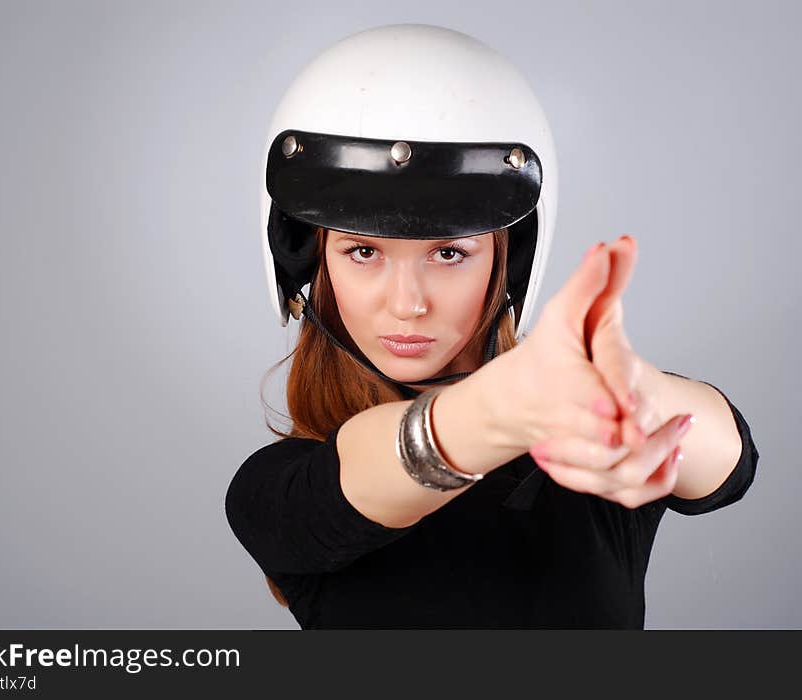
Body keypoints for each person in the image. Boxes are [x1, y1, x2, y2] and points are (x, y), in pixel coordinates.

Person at [224, 24, 758, 629]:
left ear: (509, 263)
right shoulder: (276, 491)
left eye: (449, 253)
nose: (407, 304)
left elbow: (728, 461)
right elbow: (364, 478)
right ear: (309, 261)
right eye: (363, 252)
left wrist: (626, 395)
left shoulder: (582, 442)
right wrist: (500, 408)